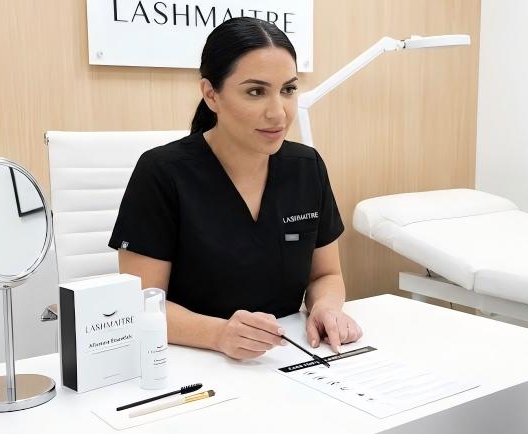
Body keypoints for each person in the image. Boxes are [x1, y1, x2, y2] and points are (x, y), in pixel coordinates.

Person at [108, 17, 362, 361]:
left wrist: (326, 307)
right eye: (256, 92)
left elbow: (326, 274)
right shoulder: (162, 173)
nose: (279, 113)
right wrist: (219, 335)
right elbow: (141, 303)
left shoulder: (307, 168)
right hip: (191, 362)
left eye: (288, 89)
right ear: (211, 94)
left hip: (289, 357)